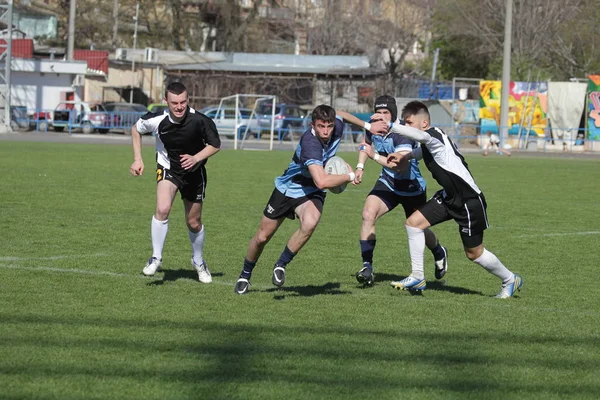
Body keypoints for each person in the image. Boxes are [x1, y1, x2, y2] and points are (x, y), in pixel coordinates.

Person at [381, 101, 522, 298]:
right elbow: (422, 150)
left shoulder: (432, 134)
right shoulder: (430, 141)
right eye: (404, 123)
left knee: (474, 254)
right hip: (449, 198)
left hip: (469, 201)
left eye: (409, 123)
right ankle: (417, 276)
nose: (407, 127)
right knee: (413, 224)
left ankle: (509, 279)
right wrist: (406, 156)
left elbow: (421, 138)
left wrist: (390, 125)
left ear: (424, 123)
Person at [234, 105, 362, 295]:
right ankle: (245, 274)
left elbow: (341, 114)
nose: (326, 131)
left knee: (310, 223)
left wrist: (367, 125)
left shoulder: (337, 127)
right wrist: (350, 175)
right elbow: (321, 181)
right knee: (262, 238)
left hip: (310, 191)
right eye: (321, 126)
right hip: (288, 188)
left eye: (329, 126)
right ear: (313, 125)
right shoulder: (310, 143)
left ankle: (281, 264)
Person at [129, 82, 221, 283]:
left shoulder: (200, 120)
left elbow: (215, 144)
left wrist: (196, 158)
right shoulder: (157, 119)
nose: (179, 107)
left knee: (193, 222)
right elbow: (136, 130)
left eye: (183, 102)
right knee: (162, 209)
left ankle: (198, 261)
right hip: (168, 169)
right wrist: (138, 158)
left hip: (194, 173)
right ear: (166, 102)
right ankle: (156, 257)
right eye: (174, 103)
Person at [352, 95, 448, 287]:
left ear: (393, 114)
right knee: (368, 213)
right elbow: (366, 144)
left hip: (411, 186)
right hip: (387, 183)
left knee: (419, 227)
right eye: (378, 112)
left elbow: (400, 166)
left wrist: (374, 156)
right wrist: (360, 166)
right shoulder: (373, 126)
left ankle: (438, 251)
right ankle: (367, 267)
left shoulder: (402, 132)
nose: (380, 116)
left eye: (385, 112)